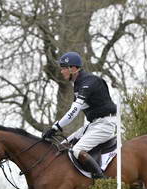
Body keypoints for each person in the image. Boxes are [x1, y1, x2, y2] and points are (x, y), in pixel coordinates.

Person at [42, 51, 117, 179]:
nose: (61, 71)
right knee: (63, 146)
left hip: (105, 125)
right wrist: (56, 126)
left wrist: (56, 127)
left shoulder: (88, 82)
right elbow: (73, 111)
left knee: (77, 150)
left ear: (73, 69)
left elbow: (74, 111)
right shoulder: (78, 85)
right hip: (94, 124)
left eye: (64, 68)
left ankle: (103, 182)